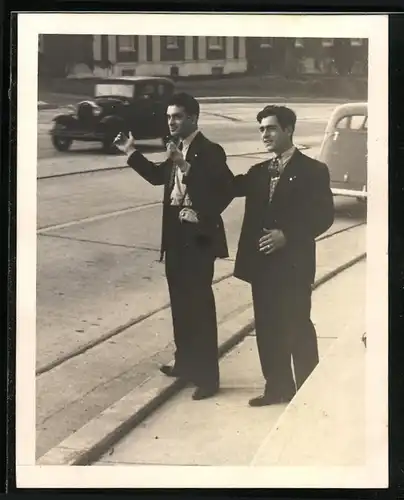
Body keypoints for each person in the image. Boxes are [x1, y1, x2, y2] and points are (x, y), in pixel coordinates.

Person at [114, 92, 234, 400]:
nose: (171, 122)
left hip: (199, 241)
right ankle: (185, 363)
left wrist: (189, 175)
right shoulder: (175, 148)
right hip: (175, 241)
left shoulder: (210, 151)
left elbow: (224, 191)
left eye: (177, 116)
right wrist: (131, 153)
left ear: (193, 118)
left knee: (200, 309)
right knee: (180, 306)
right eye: (169, 117)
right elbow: (158, 177)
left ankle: (208, 378)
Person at [232, 105, 334, 407]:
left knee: (297, 325)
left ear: (289, 130)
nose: (265, 134)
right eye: (262, 129)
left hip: (294, 265)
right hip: (262, 266)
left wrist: (287, 235)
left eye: (271, 128)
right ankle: (277, 387)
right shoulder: (259, 172)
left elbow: (324, 216)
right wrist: (186, 167)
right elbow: (228, 187)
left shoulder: (313, 170)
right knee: (266, 327)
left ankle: (308, 393)